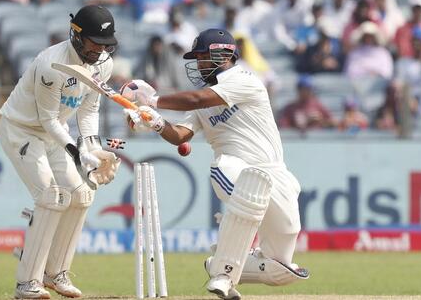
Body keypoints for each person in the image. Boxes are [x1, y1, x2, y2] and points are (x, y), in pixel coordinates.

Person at [121, 29, 309, 300]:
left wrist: (152, 101)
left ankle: (221, 262)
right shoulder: (203, 102)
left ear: (222, 55)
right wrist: (155, 122)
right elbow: (180, 136)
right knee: (247, 194)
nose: (197, 65)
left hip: (274, 173)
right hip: (231, 166)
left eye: (201, 57)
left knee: (281, 270)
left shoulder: (244, 79)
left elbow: (197, 99)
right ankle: (223, 274)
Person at [0, 5, 121, 299]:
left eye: (105, 44)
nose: (99, 50)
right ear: (77, 36)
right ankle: (27, 283)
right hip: (21, 129)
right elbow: (47, 119)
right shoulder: (51, 64)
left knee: (81, 195)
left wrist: (91, 148)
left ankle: (56, 273)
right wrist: (78, 154)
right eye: (94, 42)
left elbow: (90, 109)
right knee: (51, 196)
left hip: (55, 134)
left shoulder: (103, 64)